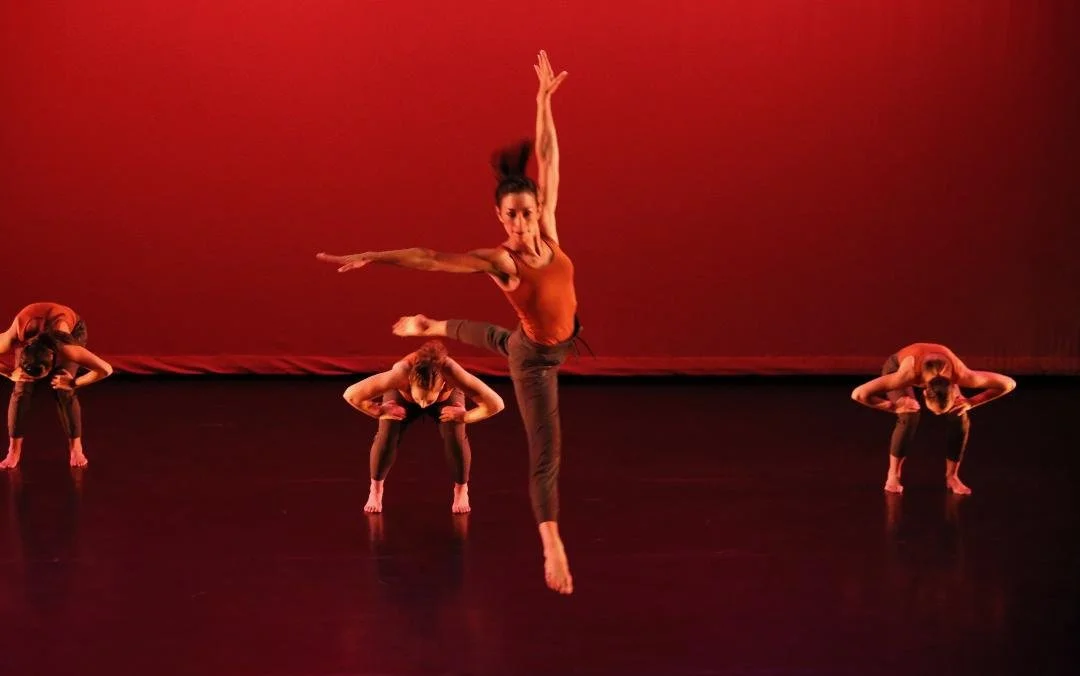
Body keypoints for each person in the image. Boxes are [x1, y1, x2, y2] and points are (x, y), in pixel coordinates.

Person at [317, 51, 579, 594]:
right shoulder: (503, 262)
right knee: (546, 449)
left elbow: (549, 159)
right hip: (535, 361)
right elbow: (432, 258)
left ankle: (431, 325)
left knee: (497, 337)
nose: (523, 223)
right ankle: (552, 543)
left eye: (529, 212)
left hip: (551, 340)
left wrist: (542, 102)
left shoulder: (550, 231)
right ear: (500, 217)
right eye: (512, 215)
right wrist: (375, 256)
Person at [342, 340, 504, 514]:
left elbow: (496, 404)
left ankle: (461, 489)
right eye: (419, 398)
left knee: (456, 436)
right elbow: (350, 394)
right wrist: (379, 411)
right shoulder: (399, 374)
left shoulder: (453, 374)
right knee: (386, 435)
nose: (424, 405)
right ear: (409, 382)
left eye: (429, 400)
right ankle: (375, 489)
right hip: (403, 398)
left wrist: (465, 416)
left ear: (443, 385)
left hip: (445, 402)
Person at [851, 342, 1016, 495]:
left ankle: (952, 477)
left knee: (959, 414)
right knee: (909, 414)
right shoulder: (906, 375)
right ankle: (893, 474)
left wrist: (971, 402)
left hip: (938, 375)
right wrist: (894, 407)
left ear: (953, 388)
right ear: (924, 392)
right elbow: (858, 394)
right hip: (898, 366)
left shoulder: (962, 374)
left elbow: (1009, 383)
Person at [0, 302, 114, 469]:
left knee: (63, 388)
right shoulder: (15, 334)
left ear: (54, 358)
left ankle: (76, 448)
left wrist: (74, 383)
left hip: (72, 330)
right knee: (21, 387)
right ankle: (13, 450)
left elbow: (106, 369)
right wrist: (9, 373)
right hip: (33, 331)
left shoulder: (66, 347)